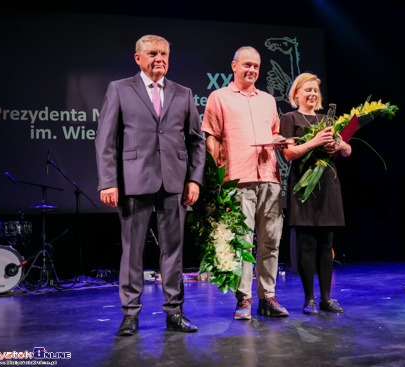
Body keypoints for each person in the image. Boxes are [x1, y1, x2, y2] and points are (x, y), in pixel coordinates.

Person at [95, 35, 205, 335]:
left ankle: (175, 312)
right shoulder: (119, 89)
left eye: (164, 53)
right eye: (153, 53)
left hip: (174, 183)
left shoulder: (183, 93)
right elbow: (105, 139)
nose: (159, 58)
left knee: (174, 251)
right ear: (138, 58)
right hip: (133, 181)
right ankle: (130, 314)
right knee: (132, 251)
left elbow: (196, 141)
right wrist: (108, 181)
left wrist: (194, 179)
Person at [201, 46, 288, 320]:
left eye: (256, 66)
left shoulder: (268, 100)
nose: (252, 70)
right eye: (247, 65)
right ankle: (245, 299)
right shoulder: (219, 97)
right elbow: (211, 136)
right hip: (237, 178)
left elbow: (275, 132)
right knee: (243, 242)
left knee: (271, 241)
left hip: (269, 177)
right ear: (234, 66)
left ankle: (268, 296)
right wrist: (215, 175)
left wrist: (277, 140)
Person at [280, 73, 351, 314]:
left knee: (327, 243)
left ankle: (326, 299)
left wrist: (340, 145)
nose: (312, 94)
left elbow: (348, 149)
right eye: (307, 90)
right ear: (296, 93)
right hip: (303, 185)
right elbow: (289, 153)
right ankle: (309, 299)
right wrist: (314, 142)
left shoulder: (328, 119)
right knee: (307, 244)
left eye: (315, 91)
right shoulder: (289, 118)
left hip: (328, 185)